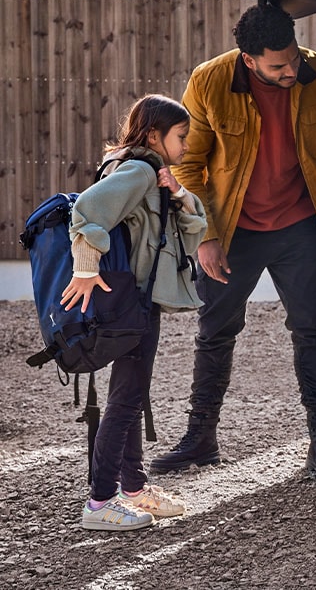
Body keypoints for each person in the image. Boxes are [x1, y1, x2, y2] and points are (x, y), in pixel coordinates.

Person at [150, 4, 316, 483]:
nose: (290, 72)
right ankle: (201, 439)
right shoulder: (210, 81)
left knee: (312, 331)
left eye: (292, 60)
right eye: (277, 67)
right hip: (231, 227)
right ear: (249, 60)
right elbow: (188, 165)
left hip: (300, 226)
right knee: (215, 331)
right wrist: (207, 235)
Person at [64, 94, 208, 531]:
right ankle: (100, 503)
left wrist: (179, 193)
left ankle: (133, 488)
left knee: (129, 395)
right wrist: (86, 269)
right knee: (126, 400)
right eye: (180, 137)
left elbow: (190, 229)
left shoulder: (148, 171)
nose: (185, 146)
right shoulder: (138, 170)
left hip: (137, 300)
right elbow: (87, 211)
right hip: (132, 302)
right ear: (153, 135)